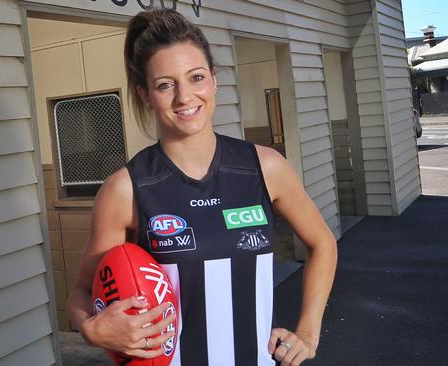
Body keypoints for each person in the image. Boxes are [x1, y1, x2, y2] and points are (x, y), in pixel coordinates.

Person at [67, 8, 337, 366]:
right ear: (145, 94)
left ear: (213, 79)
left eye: (195, 77)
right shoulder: (127, 189)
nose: (184, 97)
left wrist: (307, 333)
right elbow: (83, 292)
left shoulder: (265, 167)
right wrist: (93, 329)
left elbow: (323, 244)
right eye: (165, 84)